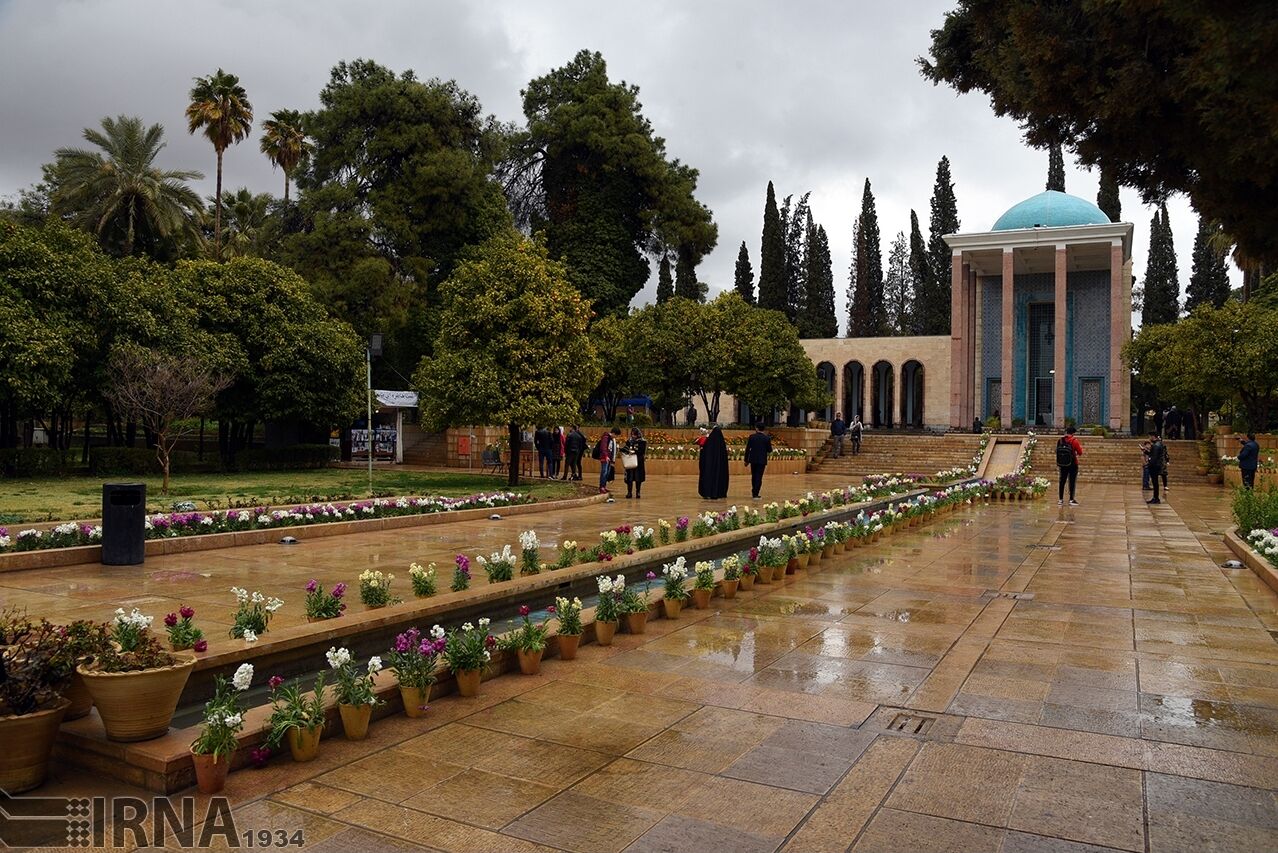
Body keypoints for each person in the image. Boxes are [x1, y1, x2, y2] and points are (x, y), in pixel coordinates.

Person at [698, 424, 730, 499]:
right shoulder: (722, 446)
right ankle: (719, 492)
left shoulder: (708, 444)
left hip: (709, 467)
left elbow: (703, 455)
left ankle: (708, 492)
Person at [744, 422, 773, 499]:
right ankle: (756, 493)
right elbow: (770, 450)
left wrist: (746, 460)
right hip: (762, 460)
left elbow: (747, 449)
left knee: (754, 476)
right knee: (759, 476)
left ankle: (754, 491)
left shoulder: (752, 437)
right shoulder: (767, 438)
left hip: (753, 459)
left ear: (757, 428)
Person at [1056, 425, 1083, 506]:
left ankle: (1060, 500)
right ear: (1073, 433)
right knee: (1072, 482)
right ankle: (1071, 499)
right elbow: (1080, 452)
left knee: (1062, 481)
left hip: (1062, 464)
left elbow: (1057, 451)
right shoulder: (1074, 441)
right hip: (1073, 464)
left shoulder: (1060, 440)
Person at [622, 427, 647, 499]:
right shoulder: (629, 441)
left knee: (638, 478)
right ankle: (629, 492)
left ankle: (638, 492)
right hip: (630, 462)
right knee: (629, 478)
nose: (633, 436)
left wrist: (634, 452)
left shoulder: (642, 442)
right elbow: (626, 448)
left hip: (638, 462)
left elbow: (642, 451)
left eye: (634, 435)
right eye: (632, 434)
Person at [595, 427, 620, 494]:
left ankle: (604, 486)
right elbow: (603, 447)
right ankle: (601, 487)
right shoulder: (606, 437)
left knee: (607, 473)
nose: (616, 437)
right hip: (605, 458)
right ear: (614, 433)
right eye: (616, 435)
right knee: (604, 472)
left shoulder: (611, 439)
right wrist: (606, 456)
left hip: (608, 458)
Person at [1147, 433, 1169, 504]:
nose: (1149, 438)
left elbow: (1154, 457)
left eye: (1150, 436)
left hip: (1155, 466)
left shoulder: (1156, 445)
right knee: (1155, 482)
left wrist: (1150, 463)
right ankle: (1155, 497)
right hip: (1157, 465)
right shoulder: (1158, 444)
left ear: (1153, 436)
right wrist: (1145, 451)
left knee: (1155, 482)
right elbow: (1153, 454)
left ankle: (1156, 498)